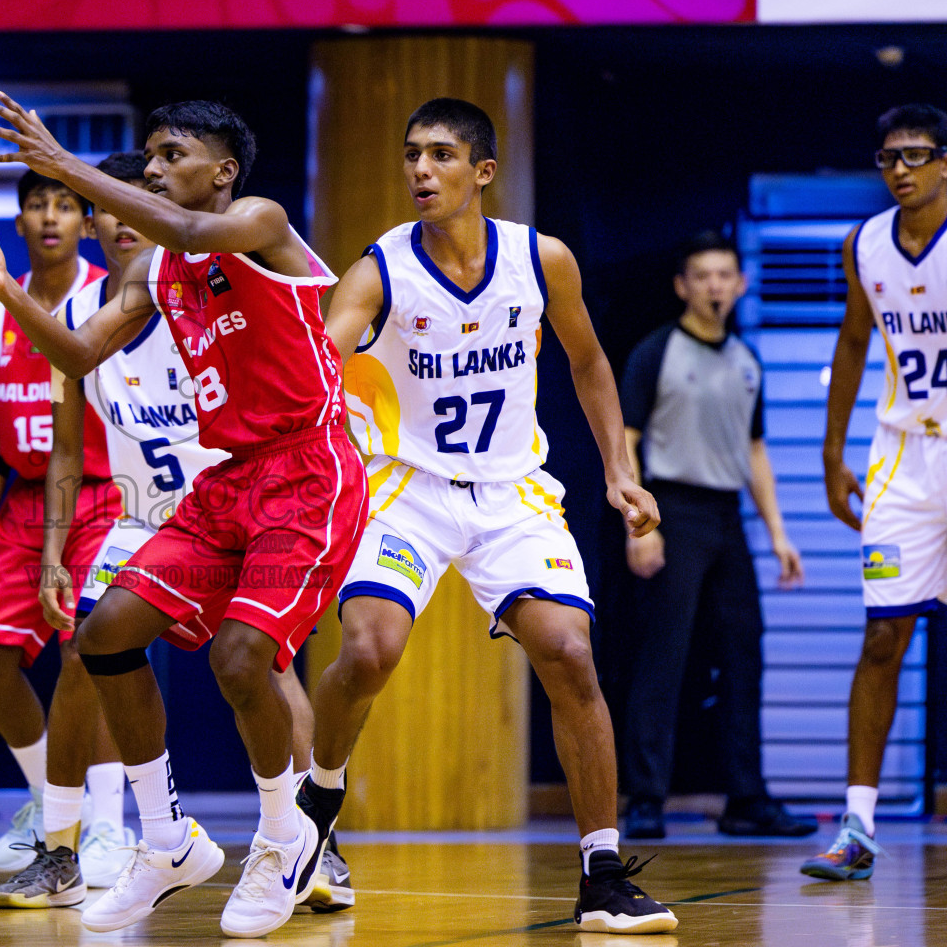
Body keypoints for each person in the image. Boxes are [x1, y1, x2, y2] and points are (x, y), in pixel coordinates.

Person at [0, 94, 367, 939]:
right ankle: (167, 843)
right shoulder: (153, 274)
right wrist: (5, 293)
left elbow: (195, 233)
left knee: (245, 659)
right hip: (228, 482)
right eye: (150, 157)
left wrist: (61, 165)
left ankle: (286, 839)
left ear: (223, 169)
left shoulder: (257, 220)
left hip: (309, 472)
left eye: (172, 155)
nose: (157, 168)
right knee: (104, 635)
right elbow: (78, 352)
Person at [299, 97, 677, 934]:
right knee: (367, 651)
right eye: (410, 155)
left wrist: (621, 470)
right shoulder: (381, 270)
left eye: (439, 155)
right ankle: (316, 802)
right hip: (406, 489)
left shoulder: (543, 261)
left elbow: (588, 361)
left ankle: (603, 873)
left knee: (570, 653)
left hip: (512, 493)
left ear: (483, 172)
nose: (420, 171)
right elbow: (327, 353)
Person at [0, 171, 123, 874]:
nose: (50, 216)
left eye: (65, 204)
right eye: (37, 205)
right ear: (18, 224)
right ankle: (50, 802)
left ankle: (105, 825)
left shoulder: (108, 296)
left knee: (87, 655)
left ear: (84, 220)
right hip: (23, 499)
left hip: (103, 494)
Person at [617, 232, 814, 840]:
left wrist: (779, 533)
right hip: (672, 507)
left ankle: (746, 799)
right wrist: (639, 524)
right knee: (665, 658)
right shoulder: (656, 352)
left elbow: (754, 451)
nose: (714, 286)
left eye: (724, 275)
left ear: (740, 284)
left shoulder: (747, 361)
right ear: (683, 285)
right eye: (702, 275)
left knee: (743, 654)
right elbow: (626, 440)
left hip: (728, 517)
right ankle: (646, 799)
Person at [802, 104, 947, 881]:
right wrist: (831, 451)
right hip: (900, 460)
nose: (900, 169)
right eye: (889, 157)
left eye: (917, 155)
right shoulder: (866, 244)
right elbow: (855, 339)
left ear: (945, 162)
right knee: (883, 637)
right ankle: (856, 826)